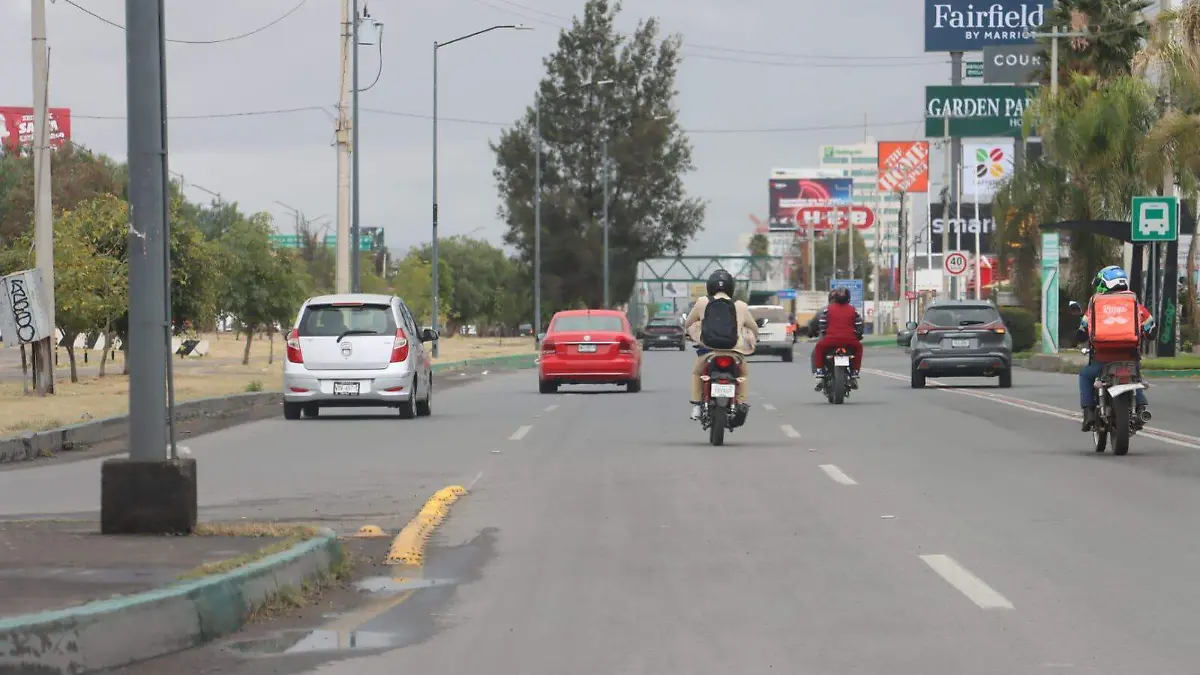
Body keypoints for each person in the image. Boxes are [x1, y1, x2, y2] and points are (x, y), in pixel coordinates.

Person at [1076, 265, 1155, 431]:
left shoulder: (1095, 304)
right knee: (1136, 378)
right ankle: (1140, 408)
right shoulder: (1134, 304)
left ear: (1105, 283)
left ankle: (1089, 412)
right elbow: (1151, 330)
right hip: (1129, 357)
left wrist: (1081, 335)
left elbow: (1082, 331)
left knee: (1085, 376)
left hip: (1101, 359)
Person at [684, 269, 759, 420]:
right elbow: (754, 328)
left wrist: (692, 332)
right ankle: (741, 403)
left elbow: (688, 323)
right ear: (731, 287)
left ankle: (698, 405)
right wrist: (753, 337)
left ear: (710, 287)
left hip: (709, 352)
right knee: (742, 374)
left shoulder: (702, 302)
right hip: (735, 352)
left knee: (697, 373)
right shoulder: (741, 305)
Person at [812, 287, 865, 390]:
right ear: (848, 298)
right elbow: (859, 325)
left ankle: (820, 371)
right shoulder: (853, 310)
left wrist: (825, 334)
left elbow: (822, 324)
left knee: (819, 347)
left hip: (830, 340)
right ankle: (854, 372)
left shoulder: (828, 309)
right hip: (850, 340)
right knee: (859, 348)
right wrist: (857, 336)